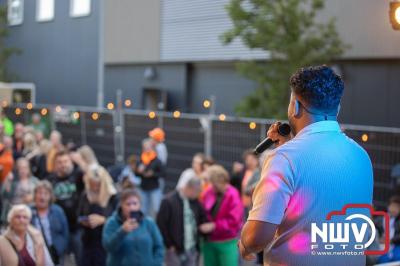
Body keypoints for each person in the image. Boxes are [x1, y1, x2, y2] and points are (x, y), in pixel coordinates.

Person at [239, 65, 373, 265]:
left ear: (295, 107)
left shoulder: (284, 159)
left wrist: (244, 245)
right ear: (337, 108)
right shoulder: (361, 156)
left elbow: (256, 238)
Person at [157, 175, 210, 266]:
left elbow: (202, 218)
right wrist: (169, 245)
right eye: (197, 192)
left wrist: (205, 227)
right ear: (189, 188)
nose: (198, 195)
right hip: (174, 250)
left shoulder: (196, 202)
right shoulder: (168, 201)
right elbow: (161, 225)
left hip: (192, 249)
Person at [102, 189, 164, 266]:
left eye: (135, 203)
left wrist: (155, 264)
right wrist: (122, 231)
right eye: (128, 204)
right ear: (121, 205)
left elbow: (159, 247)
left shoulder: (148, 223)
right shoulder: (112, 222)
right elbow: (108, 247)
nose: (132, 207)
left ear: (140, 205)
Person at [77, 150, 118, 266]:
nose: (95, 188)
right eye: (92, 185)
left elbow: (120, 220)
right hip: (88, 242)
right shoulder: (85, 195)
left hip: (106, 244)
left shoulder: (113, 197)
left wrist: (104, 220)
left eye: (98, 185)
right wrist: (84, 221)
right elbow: (78, 216)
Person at [200, 165, 244, 266]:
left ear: (222, 181)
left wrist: (214, 226)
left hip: (227, 242)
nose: (212, 187)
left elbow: (234, 221)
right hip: (209, 241)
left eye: (214, 184)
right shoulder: (209, 192)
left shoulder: (233, 194)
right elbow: (203, 212)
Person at [46, 150, 84, 266]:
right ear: (55, 164)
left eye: (66, 161)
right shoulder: (50, 180)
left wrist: (81, 162)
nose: (63, 165)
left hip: (77, 227)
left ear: (71, 162)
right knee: (60, 260)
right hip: (58, 229)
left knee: (80, 259)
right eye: (60, 162)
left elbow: (95, 175)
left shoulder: (78, 175)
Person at [31, 180, 70, 266]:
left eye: (46, 194)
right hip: (34, 253)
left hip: (55, 252)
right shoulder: (29, 212)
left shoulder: (58, 211)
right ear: (35, 195)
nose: (42, 197)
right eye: (39, 193)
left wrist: (60, 247)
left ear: (50, 196)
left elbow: (65, 232)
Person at [1, 158, 38, 224]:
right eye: (20, 168)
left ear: (29, 169)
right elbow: (4, 196)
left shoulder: (35, 181)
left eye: (25, 168)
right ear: (17, 170)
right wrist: (8, 181)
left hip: (31, 211)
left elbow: (41, 194)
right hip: (14, 211)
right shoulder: (12, 181)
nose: (23, 170)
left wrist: (34, 197)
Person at [136, 138, 165, 218]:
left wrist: (153, 174)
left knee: (157, 209)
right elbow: (136, 174)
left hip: (154, 188)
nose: (147, 149)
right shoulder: (141, 160)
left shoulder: (157, 160)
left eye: (148, 147)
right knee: (143, 209)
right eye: (145, 148)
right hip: (143, 188)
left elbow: (163, 173)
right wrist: (139, 171)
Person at [376, 196, 400, 263]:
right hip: (380, 245)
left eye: (397, 207)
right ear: (388, 206)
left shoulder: (398, 221)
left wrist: (391, 240)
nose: (395, 209)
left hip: (395, 245)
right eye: (393, 206)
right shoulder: (379, 219)